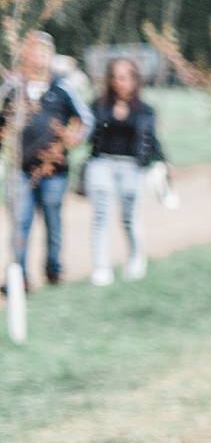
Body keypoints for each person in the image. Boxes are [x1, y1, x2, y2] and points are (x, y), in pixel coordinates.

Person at [4, 32, 86, 287]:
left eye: (44, 51)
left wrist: (74, 137)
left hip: (54, 170)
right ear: (24, 54)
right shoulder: (13, 88)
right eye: (34, 50)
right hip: (21, 169)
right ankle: (19, 275)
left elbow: (85, 119)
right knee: (20, 221)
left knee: (52, 220)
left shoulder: (62, 88)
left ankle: (53, 268)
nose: (39, 56)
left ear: (51, 56)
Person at [83, 56, 165, 285]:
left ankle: (136, 258)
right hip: (102, 163)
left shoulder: (145, 110)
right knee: (100, 216)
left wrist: (163, 162)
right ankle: (101, 268)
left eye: (124, 77)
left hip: (131, 166)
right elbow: (88, 134)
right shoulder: (98, 106)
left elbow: (152, 140)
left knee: (129, 217)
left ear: (134, 80)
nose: (119, 82)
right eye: (115, 77)